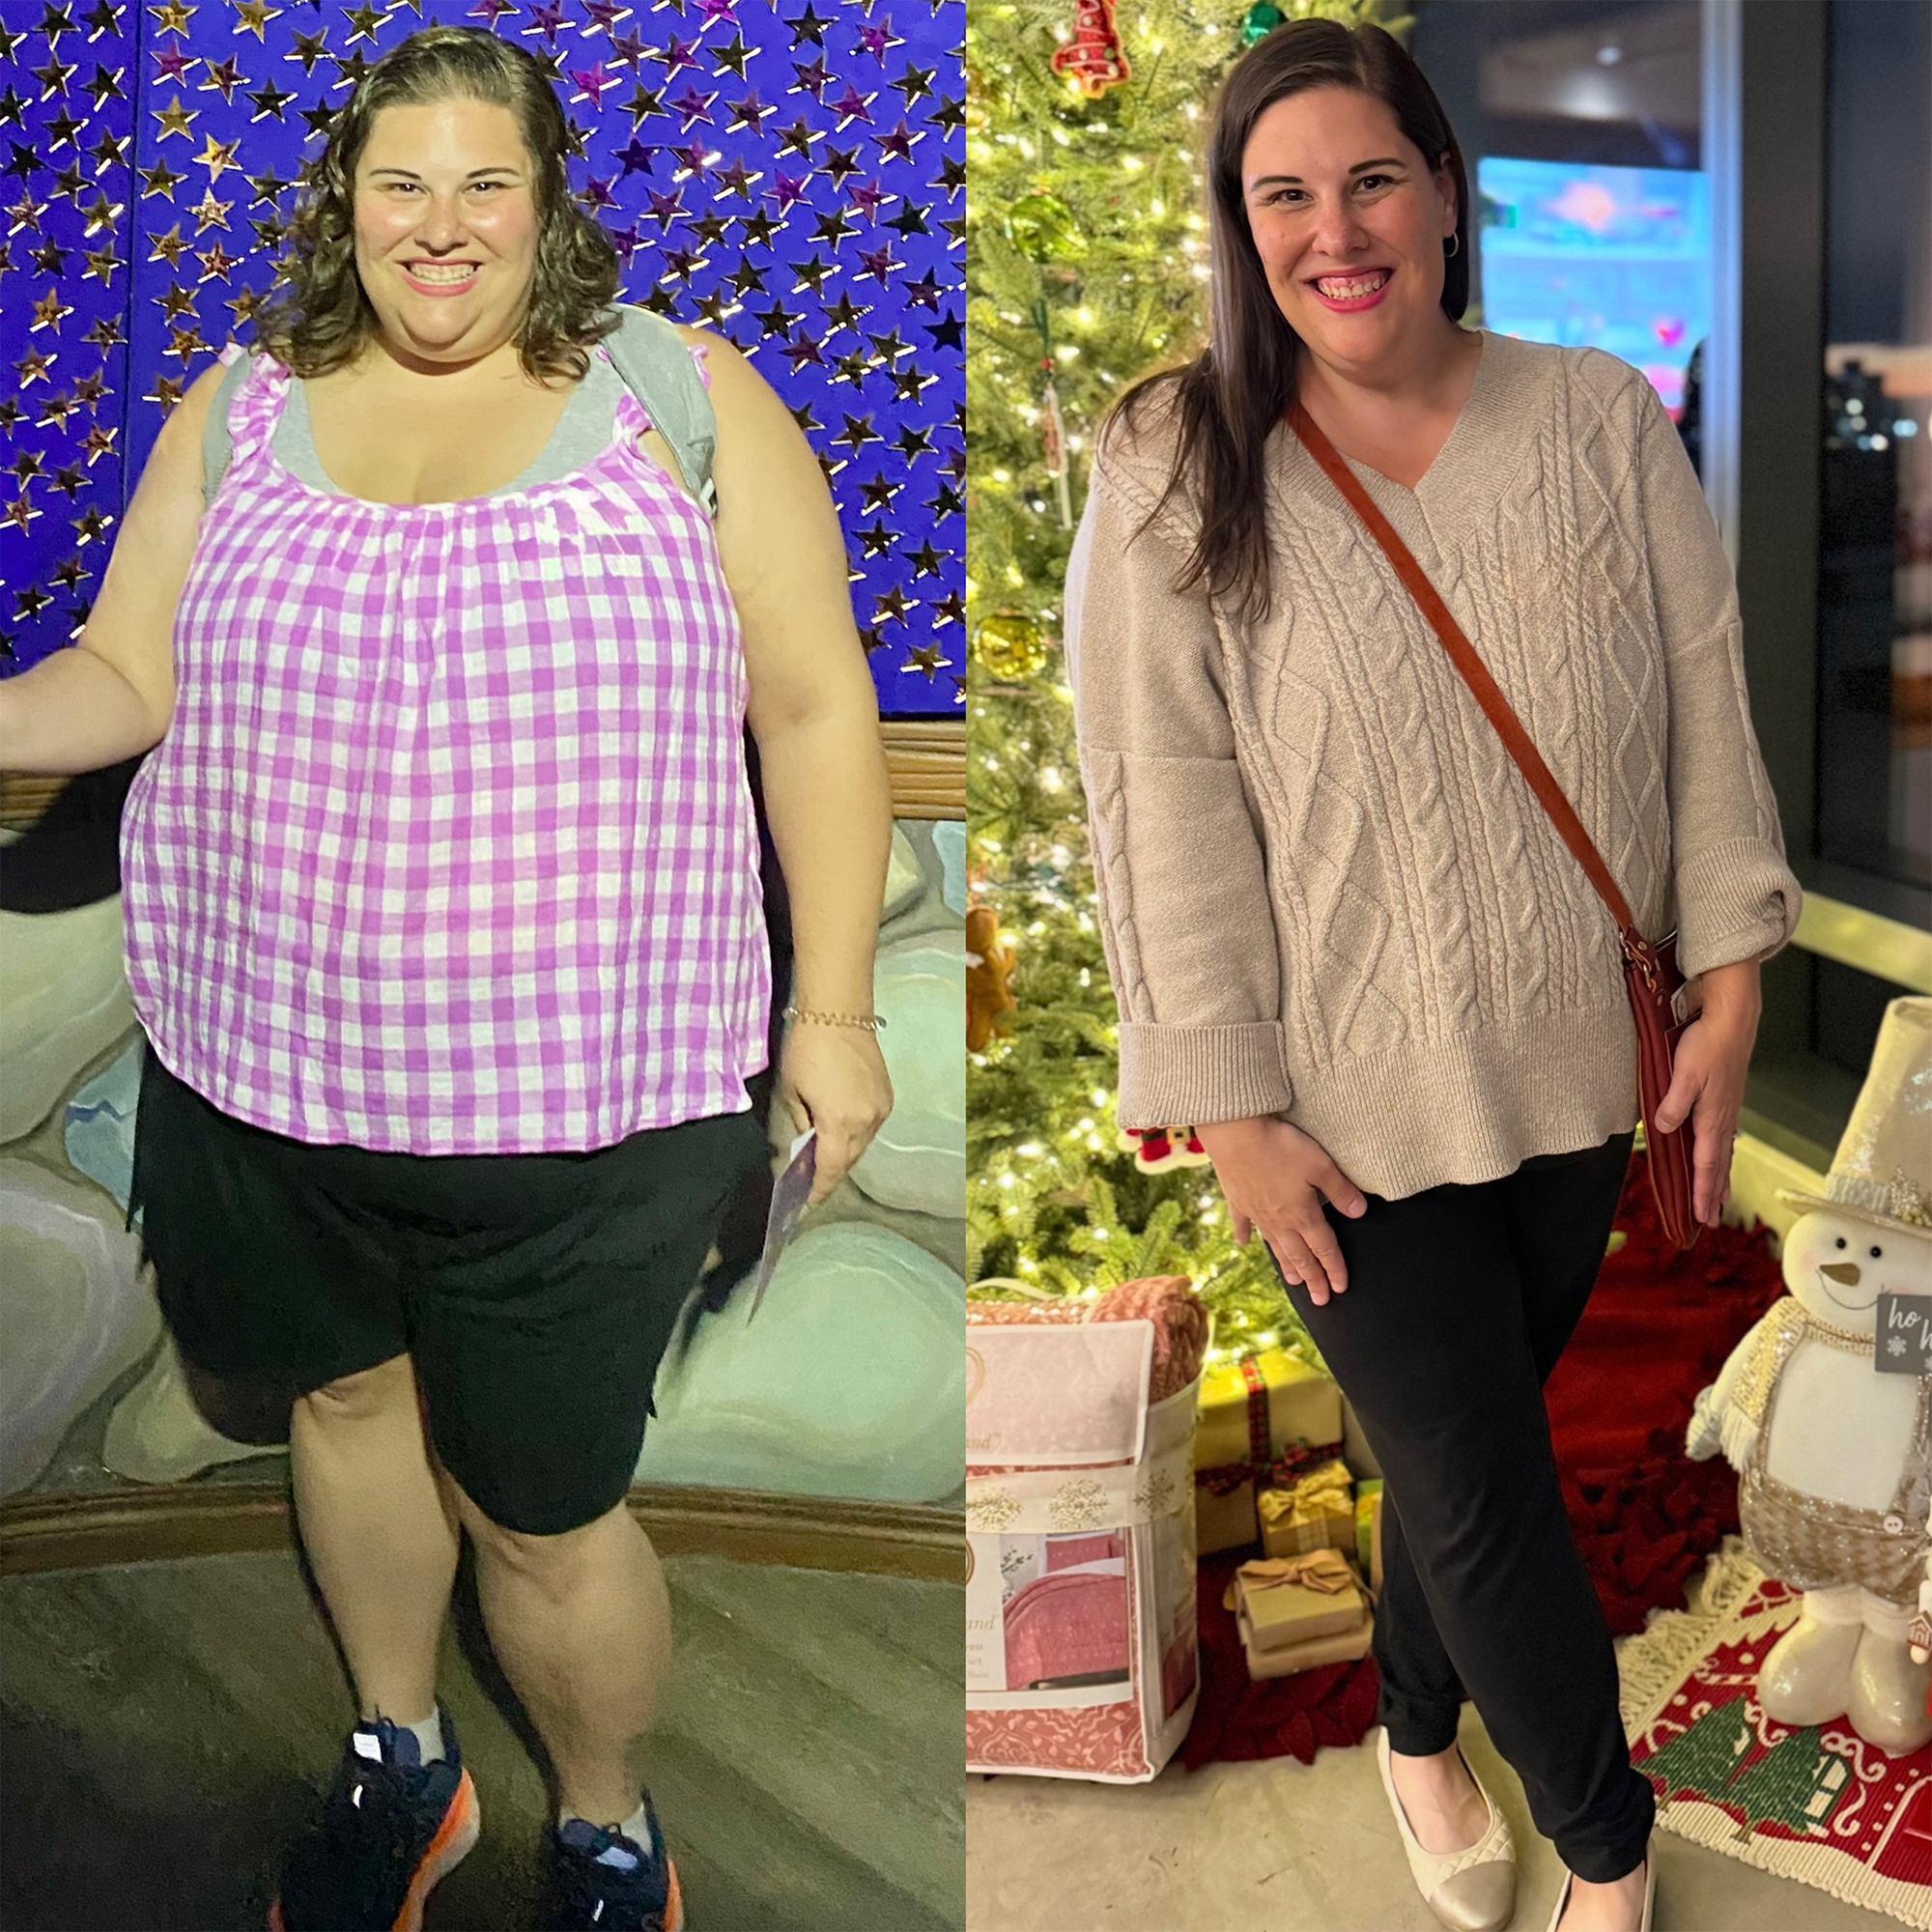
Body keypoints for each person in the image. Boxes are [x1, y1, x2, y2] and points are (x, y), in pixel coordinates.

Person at [0, 25, 894, 1932]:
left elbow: (815, 707)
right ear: (345, 203)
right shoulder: (235, 407)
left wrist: (834, 1017)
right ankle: (401, 1756)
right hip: (263, 1079)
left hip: (591, 1113)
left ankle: (603, 1824)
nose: (441, 224)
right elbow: (126, 673)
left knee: (544, 1511)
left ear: (546, 201)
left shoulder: (681, 396)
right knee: (340, 1412)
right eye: (399, 181)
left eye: (486, 181)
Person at [1065, 21, 1799, 1932]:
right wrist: (1227, 1106)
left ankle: (1409, 1717)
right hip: (1334, 1110)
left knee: (1449, 1456)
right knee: (1479, 1489)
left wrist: (1728, 967)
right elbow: (1159, 804)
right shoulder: (1172, 455)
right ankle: (1609, 1852)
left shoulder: (1594, 420)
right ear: (1240, 229)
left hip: (1576, 1071)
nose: (1336, 231)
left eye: (1371, 177)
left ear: (1446, 193)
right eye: (1282, 195)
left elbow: (1700, 705)